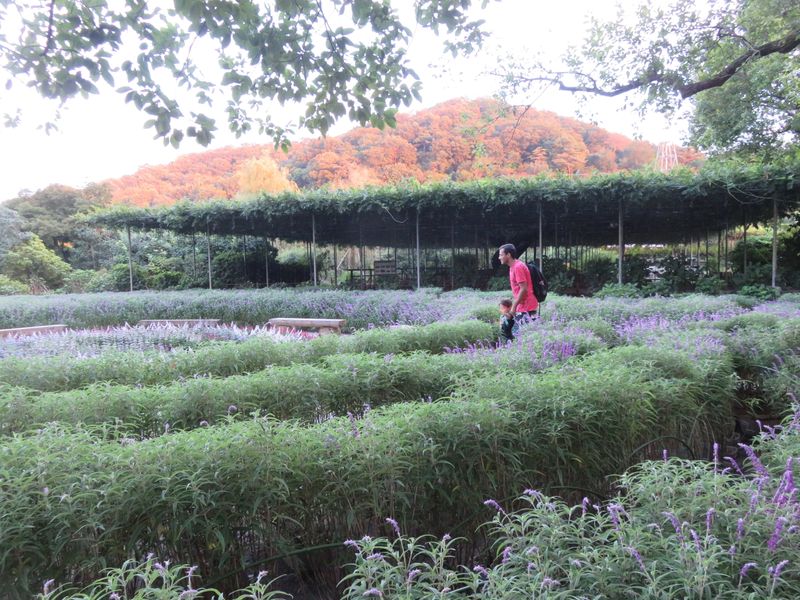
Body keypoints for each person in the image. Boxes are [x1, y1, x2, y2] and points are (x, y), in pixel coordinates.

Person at [498, 243, 538, 320]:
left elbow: (523, 289)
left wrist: (513, 307)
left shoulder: (518, 267)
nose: (499, 257)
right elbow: (518, 289)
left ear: (508, 255)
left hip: (527, 307)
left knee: (523, 331)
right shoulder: (513, 267)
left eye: (501, 255)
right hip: (523, 307)